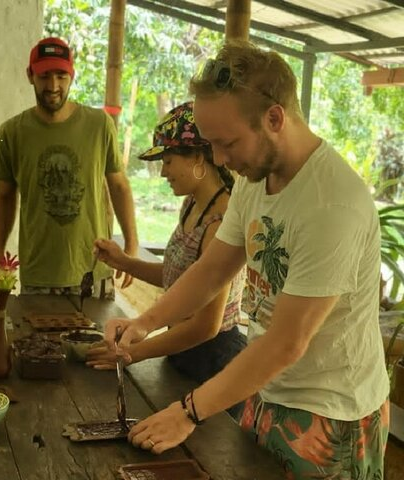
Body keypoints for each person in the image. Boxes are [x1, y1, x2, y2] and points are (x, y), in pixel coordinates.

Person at [102, 42, 390, 479]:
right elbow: (212, 269)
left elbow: (288, 342)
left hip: (330, 412)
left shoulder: (332, 204)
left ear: (275, 118)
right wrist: (147, 321)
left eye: (226, 142)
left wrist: (188, 411)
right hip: (264, 389)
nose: (219, 159)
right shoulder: (256, 179)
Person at [87, 102, 246, 417]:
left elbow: (205, 325)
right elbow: (182, 280)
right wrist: (124, 262)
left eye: (169, 161)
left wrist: (134, 352)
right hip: (180, 351)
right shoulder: (191, 204)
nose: (162, 172)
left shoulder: (222, 220)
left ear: (199, 159)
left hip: (212, 361)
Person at [0, 37, 138, 298]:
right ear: (30, 75)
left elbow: (119, 186)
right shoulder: (10, 132)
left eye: (61, 76)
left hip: (94, 270)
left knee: (99, 339)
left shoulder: (100, 125)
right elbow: (4, 196)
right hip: (38, 273)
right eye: (45, 76)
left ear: (72, 76)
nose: (53, 85)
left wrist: (132, 247)